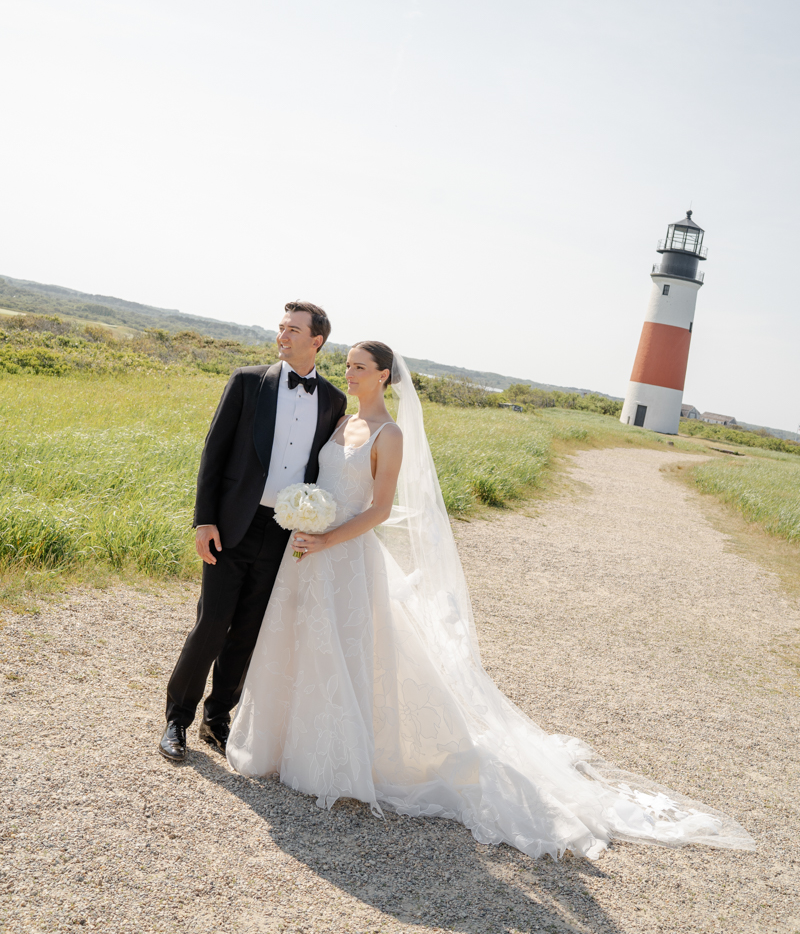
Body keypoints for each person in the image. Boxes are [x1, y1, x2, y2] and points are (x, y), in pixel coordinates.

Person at [226, 343, 754, 860]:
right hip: (308, 551)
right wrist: (304, 517)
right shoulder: (340, 420)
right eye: (348, 365)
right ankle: (285, 745)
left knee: (345, 648)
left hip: (343, 553)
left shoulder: (391, 434)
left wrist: (327, 538)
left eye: (360, 367)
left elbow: (380, 509)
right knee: (300, 639)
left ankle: (335, 761)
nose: (350, 373)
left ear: (384, 375)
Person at [159, 301, 347, 763]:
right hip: (230, 525)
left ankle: (217, 719)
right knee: (211, 624)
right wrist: (204, 519)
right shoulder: (247, 381)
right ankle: (177, 719)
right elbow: (214, 452)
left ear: (316, 340)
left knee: (249, 630)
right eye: (281, 327)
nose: (282, 335)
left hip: (283, 532)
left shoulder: (333, 400)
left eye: (293, 329)